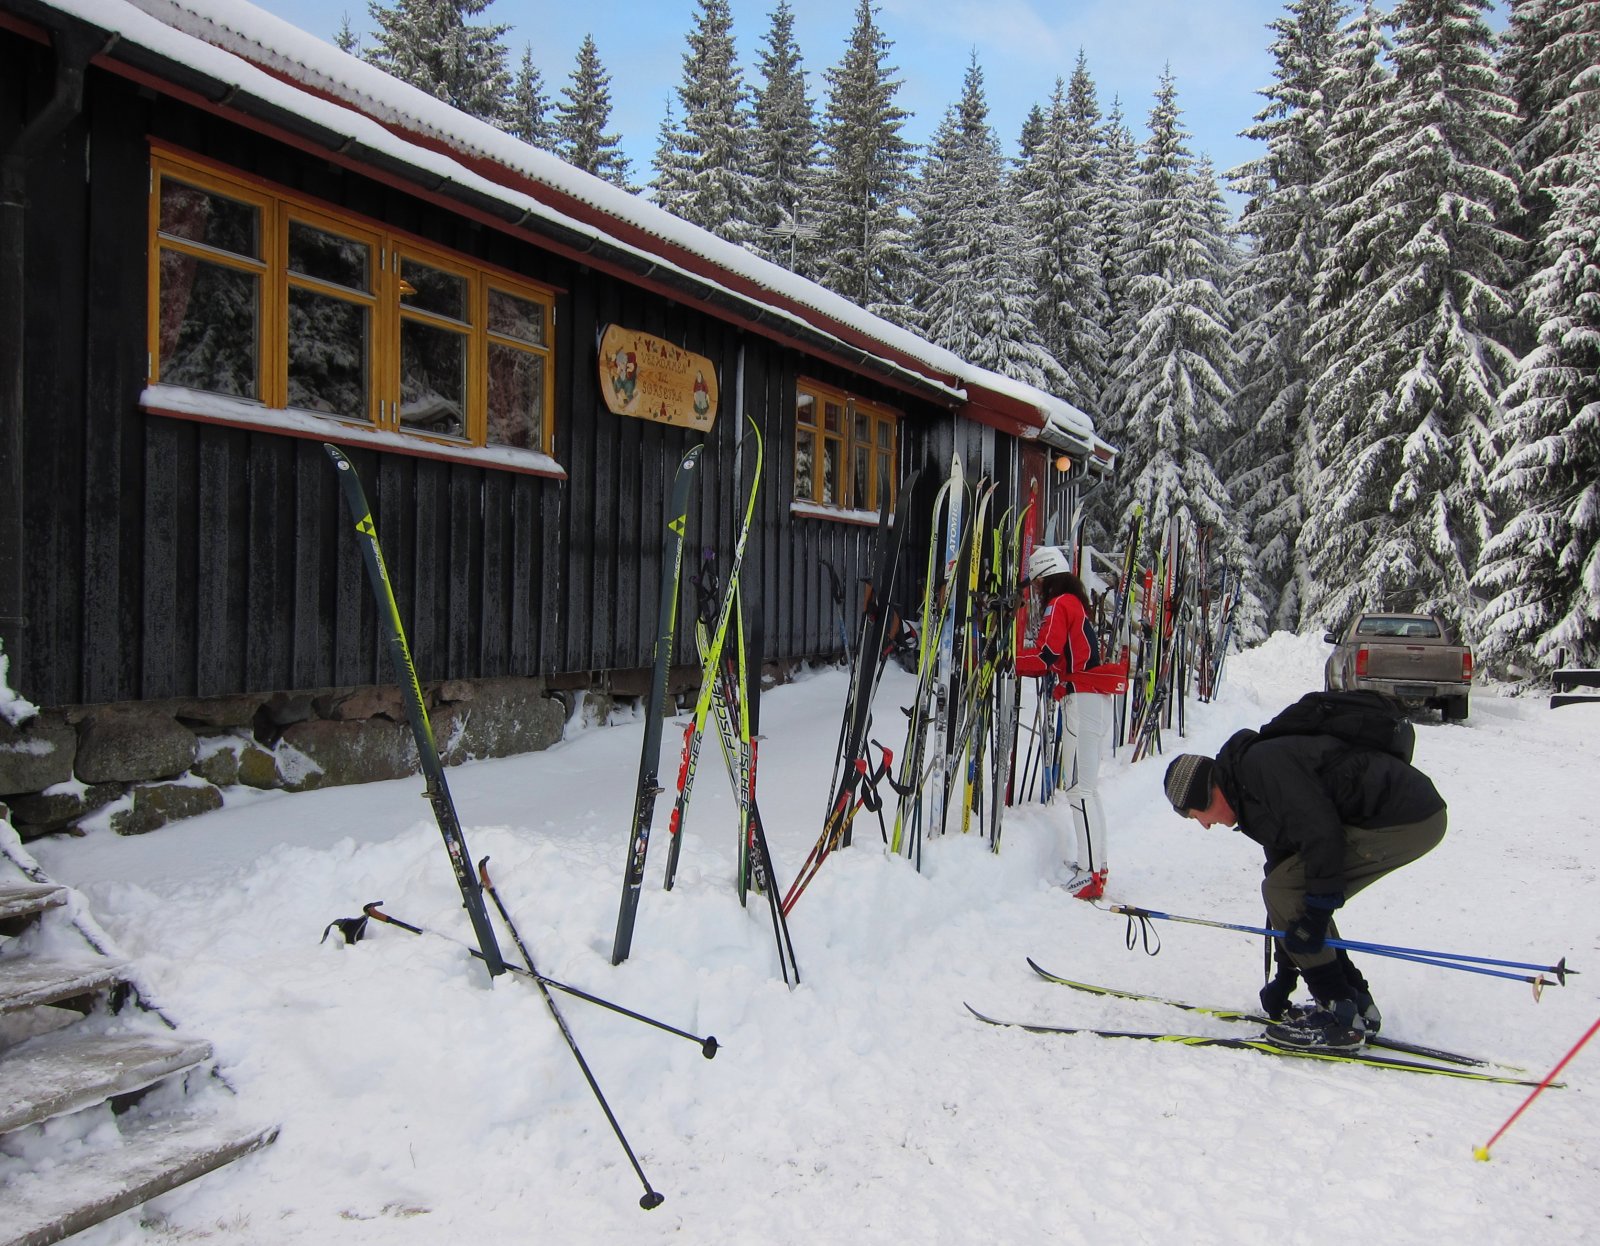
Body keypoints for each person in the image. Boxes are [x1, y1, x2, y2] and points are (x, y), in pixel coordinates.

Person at [1162, 723, 1448, 1053]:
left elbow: (1321, 835)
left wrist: (1314, 918)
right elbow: (1288, 895)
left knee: (1294, 892)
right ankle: (1354, 1000)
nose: (1205, 825)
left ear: (1207, 794)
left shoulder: (1261, 771)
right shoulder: (1249, 793)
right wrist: (1286, 977)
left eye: (1197, 815)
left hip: (1406, 817)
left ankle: (1339, 1018)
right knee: (1290, 888)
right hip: (1405, 814)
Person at [1017, 547, 1125, 900]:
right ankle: (1094, 865)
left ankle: (1091, 873)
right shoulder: (1076, 603)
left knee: (1079, 788)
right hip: (1091, 697)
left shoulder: (1060, 604)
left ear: (1046, 577)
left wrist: (1010, 659)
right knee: (1088, 789)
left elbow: (1047, 654)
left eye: (1036, 584)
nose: (1035, 592)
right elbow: (1074, 655)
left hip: (1084, 701)